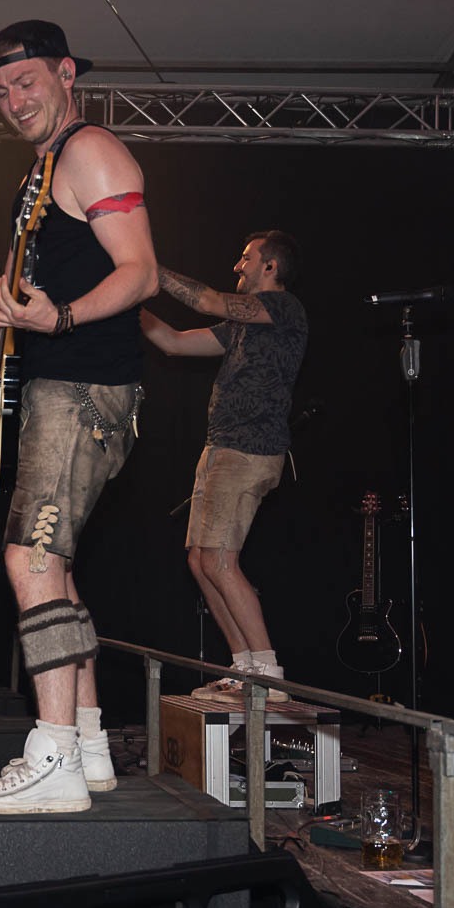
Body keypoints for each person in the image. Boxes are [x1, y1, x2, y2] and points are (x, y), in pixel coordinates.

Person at [0, 19, 157, 815]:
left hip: (84, 388)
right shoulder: (40, 173)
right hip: (56, 386)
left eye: (26, 81)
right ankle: (91, 747)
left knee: (28, 559)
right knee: (56, 568)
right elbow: (10, 284)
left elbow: (140, 272)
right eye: (1, 91)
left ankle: (54, 757)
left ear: (67, 74)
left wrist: (61, 319)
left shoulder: (91, 149)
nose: (13, 100)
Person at [140, 232, 309, 693]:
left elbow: (210, 301)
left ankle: (269, 676)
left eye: (246, 257)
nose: (238, 265)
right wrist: (126, 303)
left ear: (270, 267)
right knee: (200, 561)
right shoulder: (241, 327)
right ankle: (243, 667)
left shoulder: (284, 308)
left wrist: (148, 273)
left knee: (219, 560)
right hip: (219, 449)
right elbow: (173, 342)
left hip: (249, 450)